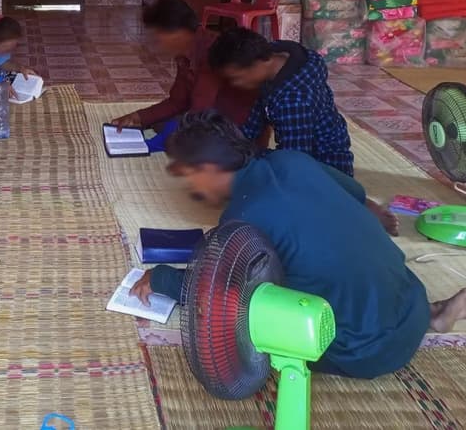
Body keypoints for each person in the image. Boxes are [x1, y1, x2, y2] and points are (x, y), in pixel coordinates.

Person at [129, 111, 466, 379]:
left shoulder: (242, 219)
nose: (192, 188)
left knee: (246, 320)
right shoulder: (291, 160)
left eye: (190, 177)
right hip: (413, 303)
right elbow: (356, 194)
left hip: (365, 352)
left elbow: (219, 294)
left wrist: (160, 278)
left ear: (207, 169)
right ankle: (434, 316)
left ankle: (416, 323)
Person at [208, 27, 399, 235]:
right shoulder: (278, 58)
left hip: (324, 164)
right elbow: (257, 117)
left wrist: (247, 167)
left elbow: (294, 163)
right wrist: (234, 146)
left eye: (236, 78)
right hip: (310, 151)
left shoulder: (293, 100)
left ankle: (359, 205)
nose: (234, 85)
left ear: (260, 62)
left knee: (283, 205)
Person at [110, 0, 260, 134]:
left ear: (177, 33)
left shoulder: (212, 52)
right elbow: (177, 102)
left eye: (159, 37)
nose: (157, 44)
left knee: (174, 135)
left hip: (236, 127)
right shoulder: (185, 55)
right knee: (159, 124)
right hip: (207, 115)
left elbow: (201, 112)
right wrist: (138, 117)